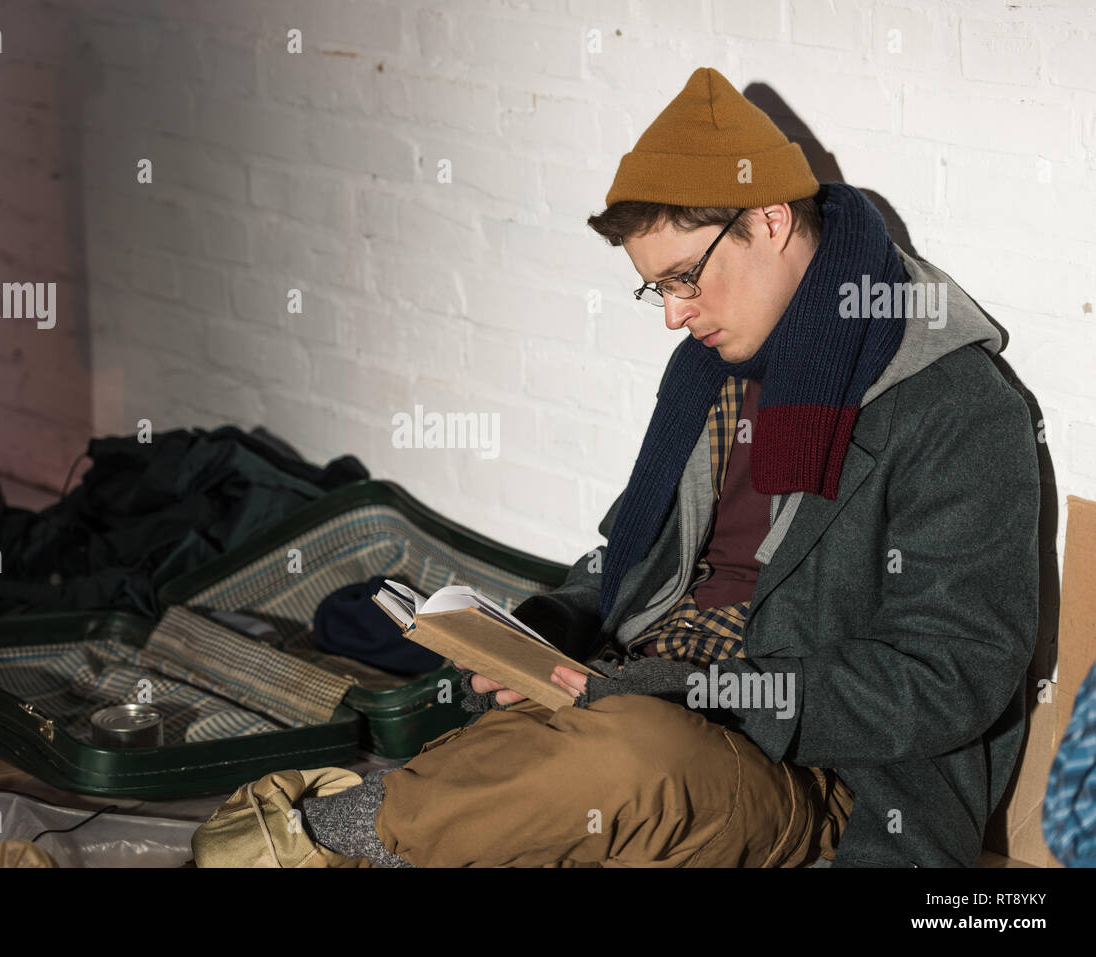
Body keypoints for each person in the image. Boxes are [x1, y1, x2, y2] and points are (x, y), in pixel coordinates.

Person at [191, 66, 1040, 869]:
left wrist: (708, 692)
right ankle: (330, 833)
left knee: (617, 762)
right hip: (642, 695)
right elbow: (627, 561)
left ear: (771, 219)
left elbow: (951, 675)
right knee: (510, 758)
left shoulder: (954, 405)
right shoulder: (712, 372)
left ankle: (313, 834)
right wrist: (546, 630)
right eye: (656, 288)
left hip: (819, 770)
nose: (674, 315)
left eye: (685, 277)